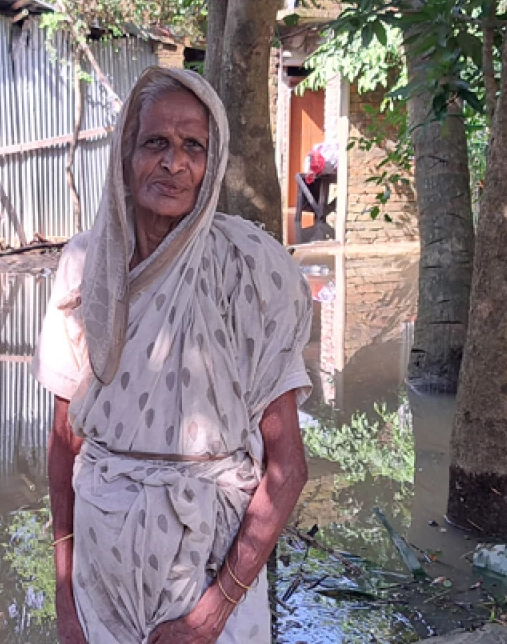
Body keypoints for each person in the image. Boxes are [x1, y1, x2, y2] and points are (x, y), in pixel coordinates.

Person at [32, 67, 312, 644]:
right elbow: (64, 445)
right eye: (155, 142)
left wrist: (212, 613)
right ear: (126, 155)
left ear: (213, 163)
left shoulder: (249, 269)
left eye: (193, 147)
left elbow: (287, 468)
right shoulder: (87, 268)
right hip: (100, 578)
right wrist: (65, 592)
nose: (174, 163)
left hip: (208, 574)